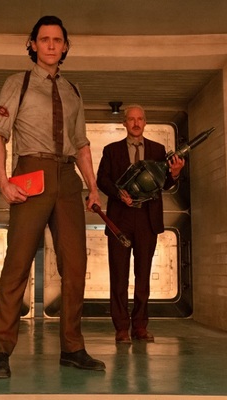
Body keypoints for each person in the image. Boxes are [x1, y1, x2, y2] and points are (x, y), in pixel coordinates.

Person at [0, 15, 105, 378]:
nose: (51, 45)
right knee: (18, 263)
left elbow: (81, 143)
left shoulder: (73, 90)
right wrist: (4, 181)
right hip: (31, 173)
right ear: (33, 44)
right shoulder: (18, 82)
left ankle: (72, 347)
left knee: (76, 266)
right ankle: (1, 351)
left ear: (65, 46)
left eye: (57, 40)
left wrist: (93, 187)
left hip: (68, 177)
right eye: (44, 39)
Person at [96, 104, 185, 344]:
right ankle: (121, 328)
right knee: (119, 276)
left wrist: (175, 174)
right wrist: (118, 193)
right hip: (120, 219)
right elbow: (102, 179)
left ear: (145, 122)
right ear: (124, 123)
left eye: (140, 119)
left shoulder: (158, 150)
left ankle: (140, 326)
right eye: (131, 119)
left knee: (143, 276)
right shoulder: (111, 150)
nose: (136, 123)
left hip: (147, 219)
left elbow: (164, 183)